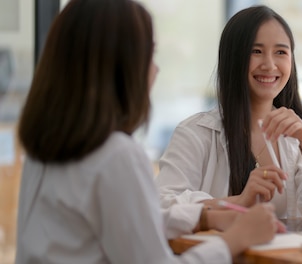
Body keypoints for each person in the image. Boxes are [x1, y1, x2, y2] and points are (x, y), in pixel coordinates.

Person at [15, 0, 282, 263]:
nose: (155, 69)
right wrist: (235, 240)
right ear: (121, 66)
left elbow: (127, 221)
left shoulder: (45, 149)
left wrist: (204, 216)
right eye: (148, 55)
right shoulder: (117, 155)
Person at [155, 5, 302, 220]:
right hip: (222, 254)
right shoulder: (196, 133)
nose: (270, 65)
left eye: (281, 52)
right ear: (233, 58)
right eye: (256, 51)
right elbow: (160, 206)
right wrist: (238, 201)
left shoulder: (294, 136)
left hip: (283, 252)